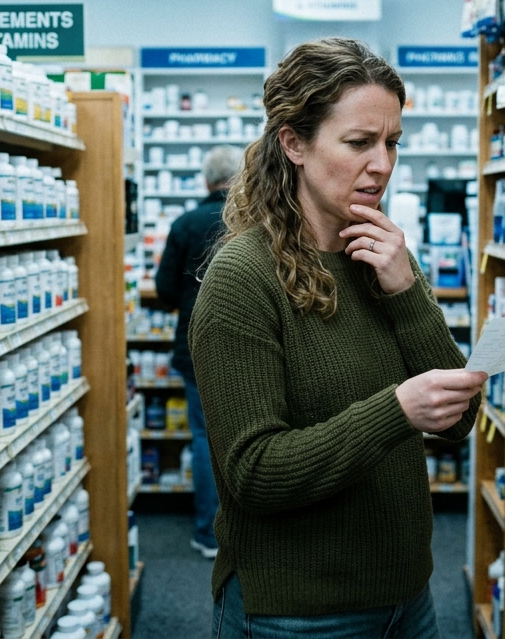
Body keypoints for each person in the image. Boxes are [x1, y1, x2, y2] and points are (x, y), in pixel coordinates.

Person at [190, 38, 485, 639]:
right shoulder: (242, 277)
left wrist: (406, 290)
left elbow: (460, 420)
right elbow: (253, 472)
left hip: (410, 598)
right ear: (294, 144)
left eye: (392, 142)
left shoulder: (386, 256)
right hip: (298, 613)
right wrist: (396, 410)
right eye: (358, 143)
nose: (381, 164)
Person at [155, 144, 243, 559]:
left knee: (207, 438)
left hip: (197, 345)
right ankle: (252, 532)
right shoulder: (255, 219)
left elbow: (165, 289)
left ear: (207, 181)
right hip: (252, 341)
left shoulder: (185, 223)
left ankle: (211, 536)